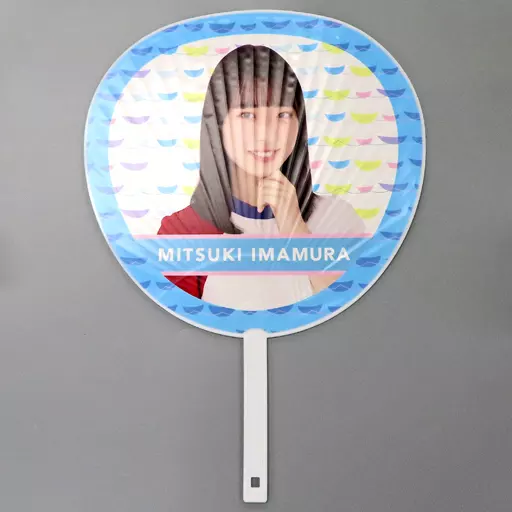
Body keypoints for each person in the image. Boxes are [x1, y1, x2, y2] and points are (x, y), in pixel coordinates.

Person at [158, 45, 365, 310]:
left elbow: (353, 314)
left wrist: (294, 226)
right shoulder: (183, 232)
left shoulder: (337, 219)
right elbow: (177, 327)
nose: (265, 135)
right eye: (247, 115)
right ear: (217, 124)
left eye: (282, 115)